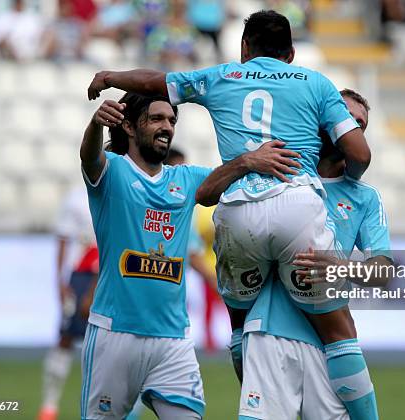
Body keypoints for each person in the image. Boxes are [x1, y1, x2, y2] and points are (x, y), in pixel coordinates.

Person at [86, 10, 372, 418]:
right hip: (298, 206)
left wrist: (110, 77)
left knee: (241, 322)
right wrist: (350, 182)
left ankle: (254, 386)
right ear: (291, 53)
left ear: (243, 49)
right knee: (338, 330)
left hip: (238, 211)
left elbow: (155, 82)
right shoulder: (317, 83)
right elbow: (359, 154)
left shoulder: (224, 76)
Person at [79, 91, 301, 419]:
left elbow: (226, 179)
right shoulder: (112, 171)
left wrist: (251, 161)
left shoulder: (185, 179)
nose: (167, 126)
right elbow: (89, 157)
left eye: (171, 120)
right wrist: (96, 125)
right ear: (128, 125)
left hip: (174, 340)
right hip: (115, 333)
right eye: (156, 118)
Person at [197, 89, 391, 419]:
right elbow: (208, 197)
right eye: (347, 117)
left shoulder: (365, 198)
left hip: (331, 348)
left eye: (361, 124)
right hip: (270, 332)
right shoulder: (273, 172)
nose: (353, 127)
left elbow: (383, 274)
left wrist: (340, 267)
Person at [38, 187, 98, 420]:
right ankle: (49, 406)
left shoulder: (120, 189)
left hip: (111, 272)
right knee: (65, 338)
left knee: (107, 343)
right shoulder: (76, 198)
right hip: (80, 275)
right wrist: (61, 282)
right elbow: (63, 239)